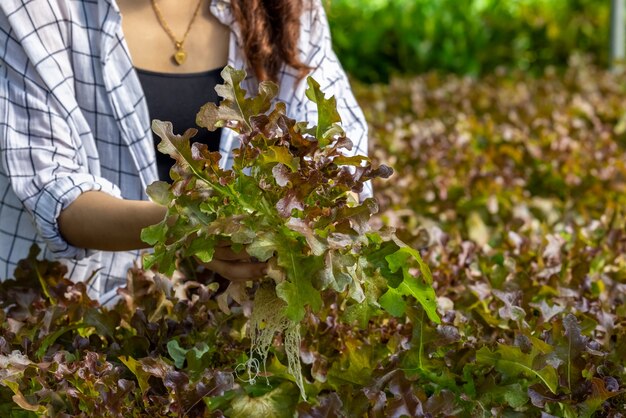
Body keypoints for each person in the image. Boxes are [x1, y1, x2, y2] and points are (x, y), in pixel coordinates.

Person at [0, 0, 368, 305]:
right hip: (69, 316)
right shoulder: (34, 9)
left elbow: (341, 163)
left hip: (228, 331)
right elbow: (56, 195)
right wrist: (195, 224)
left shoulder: (288, 11)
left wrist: (295, 222)